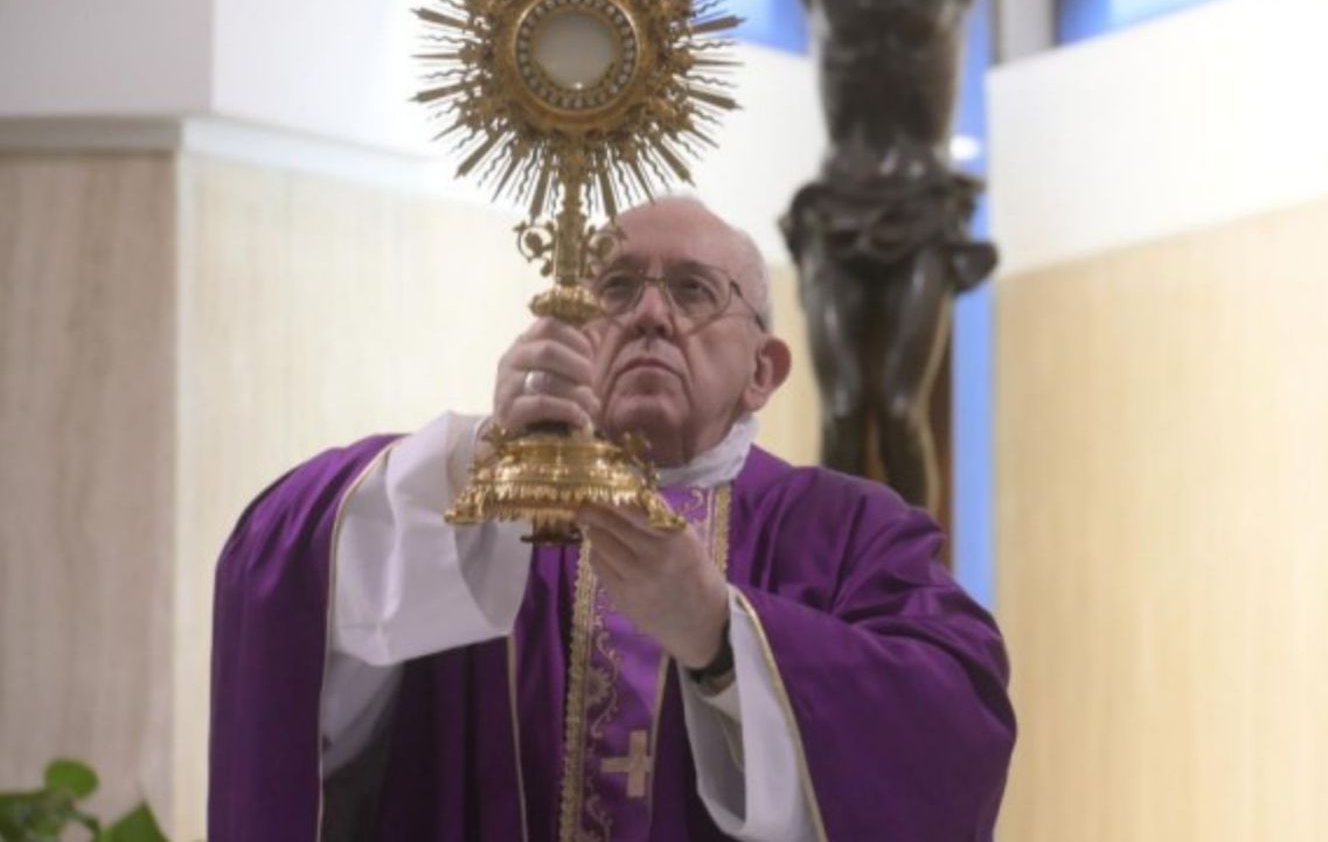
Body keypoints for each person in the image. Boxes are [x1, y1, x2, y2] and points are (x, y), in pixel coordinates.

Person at [486, 0, 1290, 512]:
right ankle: (830, 570)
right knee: (840, 408)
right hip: (837, 211)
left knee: (900, 404)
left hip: (920, 210)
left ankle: (910, 577)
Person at [209, 196, 1015, 841]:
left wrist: (717, 636)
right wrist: (481, 453)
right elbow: (275, 564)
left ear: (762, 371)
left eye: (695, 289)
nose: (649, 315)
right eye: (617, 287)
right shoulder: (475, 511)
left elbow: (953, 721)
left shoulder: (845, 530)